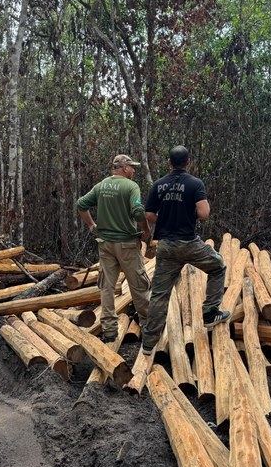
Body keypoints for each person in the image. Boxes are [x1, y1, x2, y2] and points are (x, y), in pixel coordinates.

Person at [140, 145, 229, 356]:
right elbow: (204, 213)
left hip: (166, 246)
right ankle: (210, 313)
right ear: (188, 162)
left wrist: (167, 218)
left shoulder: (159, 185)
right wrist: (187, 215)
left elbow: (149, 215)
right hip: (189, 244)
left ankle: (148, 343)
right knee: (218, 266)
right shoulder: (195, 183)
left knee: (160, 294)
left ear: (169, 163)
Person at [77, 154, 151, 342]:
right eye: (132, 167)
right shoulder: (131, 186)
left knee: (107, 286)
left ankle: (109, 330)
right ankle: (148, 326)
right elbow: (137, 211)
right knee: (138, 285)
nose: (133, 170)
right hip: (127, 244)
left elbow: (81, 204)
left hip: (105, 245)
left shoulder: (101, 185)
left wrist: (92, 226)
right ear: (124, 168)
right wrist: (146, 231)